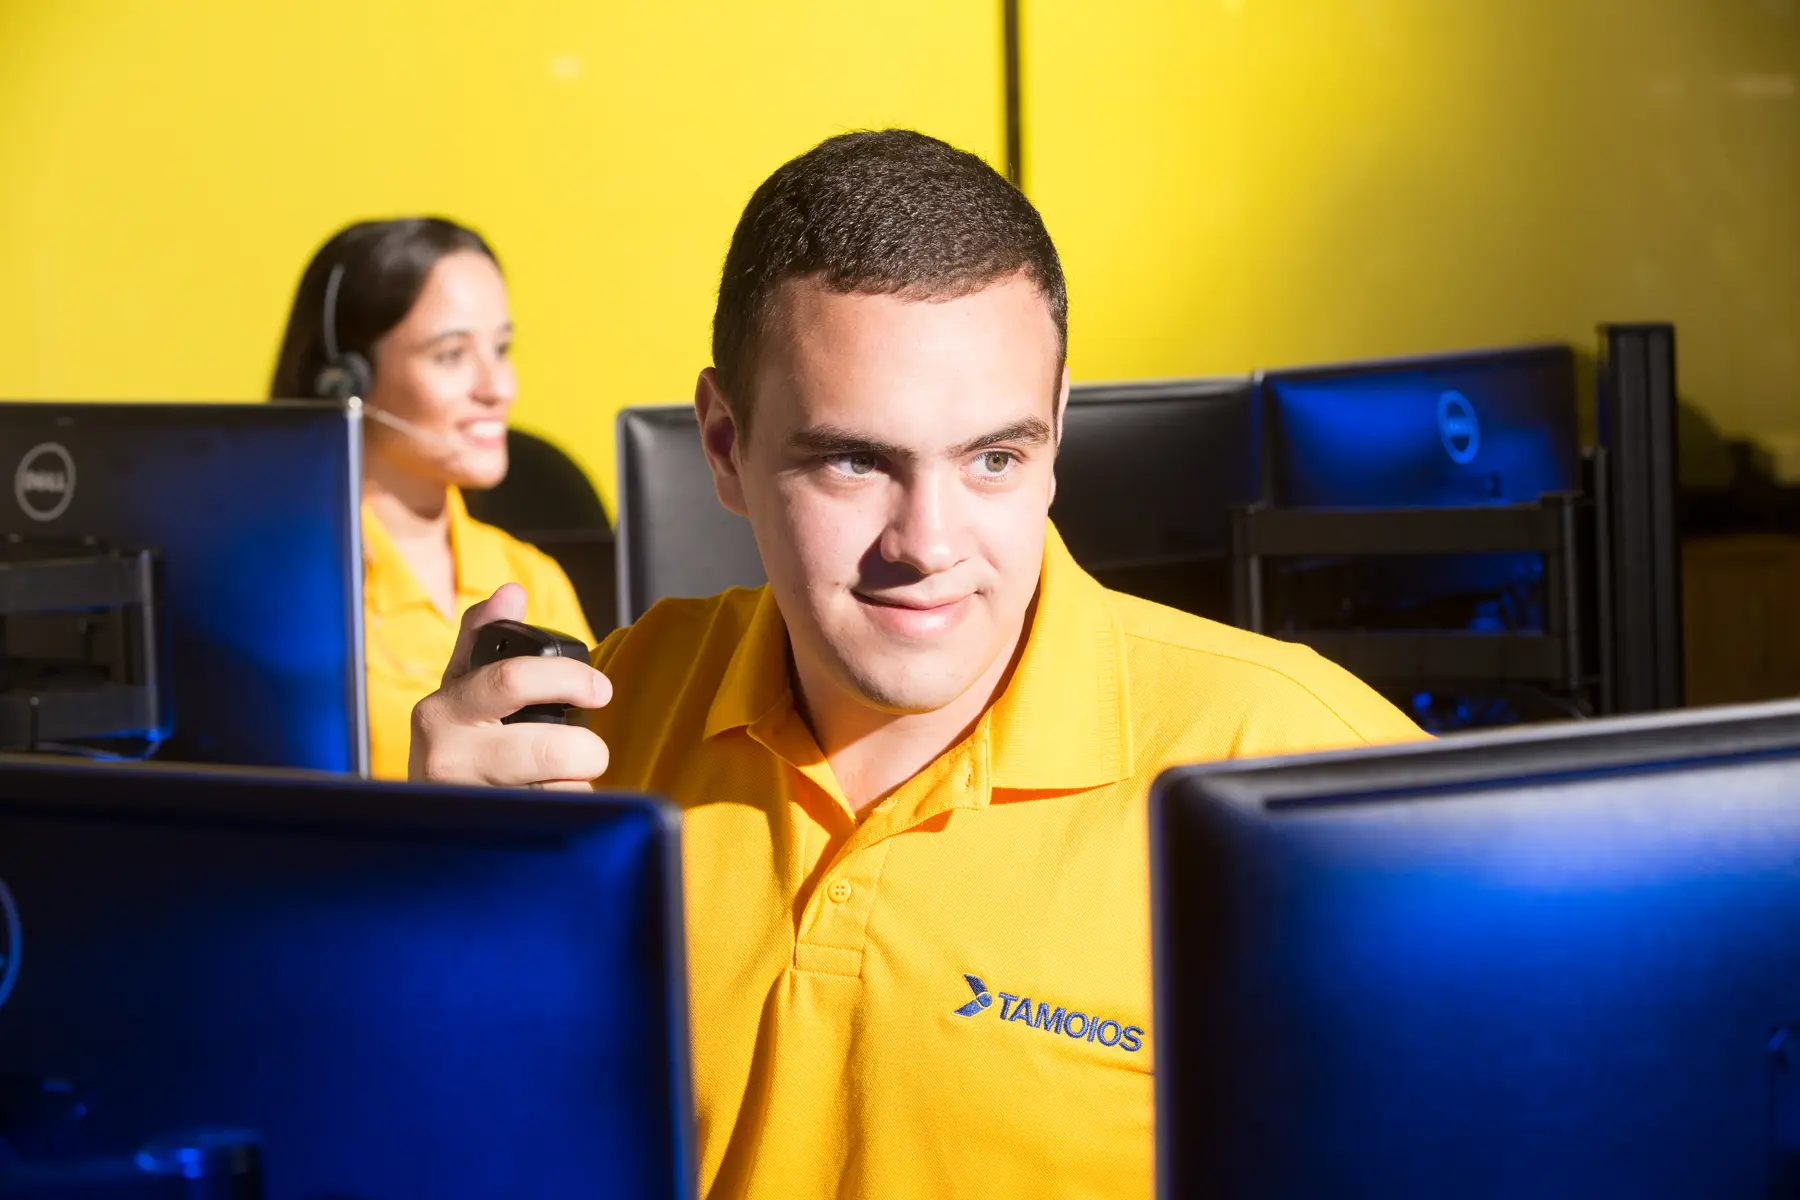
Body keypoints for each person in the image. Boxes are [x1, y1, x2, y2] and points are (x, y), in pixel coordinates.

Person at [410, 132, 1427, 1198]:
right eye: (856, 461)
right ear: (723, 446)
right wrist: (424, 906)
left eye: (996, 457)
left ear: (1057, 432)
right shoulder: (601, 727)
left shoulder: (1299, 773)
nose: (928, 545)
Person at [269, 218, 594, 780]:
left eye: (501, 348)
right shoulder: (285, 591)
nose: (499, 387)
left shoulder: (529, 577)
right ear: (346, 382)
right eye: (451, 354)